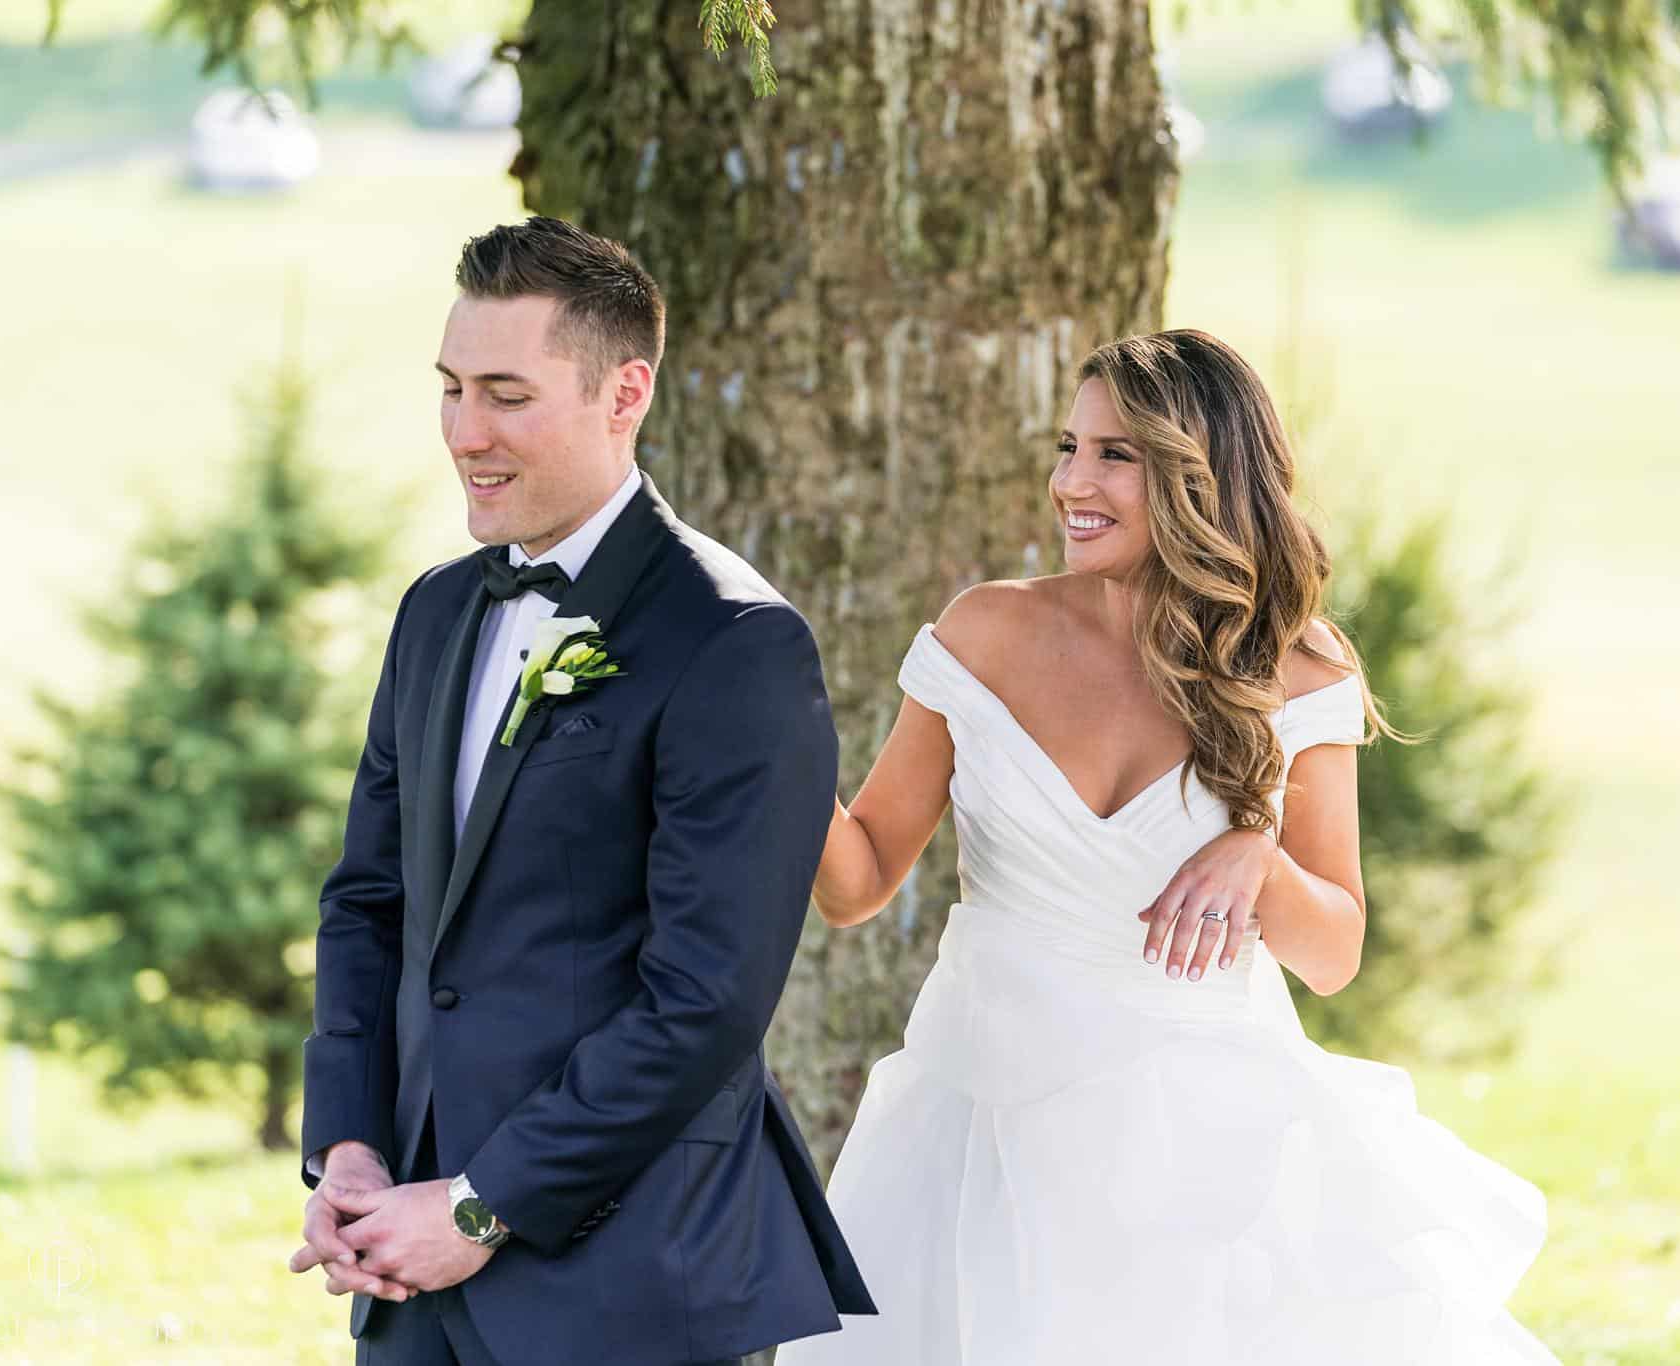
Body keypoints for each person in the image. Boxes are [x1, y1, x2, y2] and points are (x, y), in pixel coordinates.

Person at [781, 330, 1560, 1365]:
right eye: (1067, 447)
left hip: (1204, 1151)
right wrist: (768, 754)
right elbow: (856, 880)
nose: (1069, 482)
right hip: (977, 1123)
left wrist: (1257, 856)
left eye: (1115, 455)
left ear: (1203, 477)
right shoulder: (983, 633)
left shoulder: (1299, 668)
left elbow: (1330, 952)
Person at [287, 216, 875, 1366]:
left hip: (627, 1282)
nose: (465, 432)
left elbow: (704, 1000)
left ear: (625, 395)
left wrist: (479, 1205)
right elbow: (369, 901)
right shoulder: (434, 613)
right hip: (411, 1279)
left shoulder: (734, 641)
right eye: (451, 388)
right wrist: (351, 1151)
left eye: (506, 394)